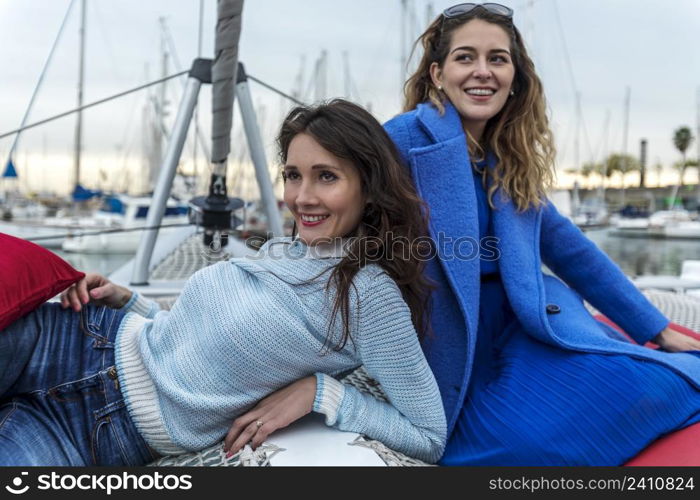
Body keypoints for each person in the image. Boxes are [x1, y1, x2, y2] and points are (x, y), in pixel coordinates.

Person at [0, 99, 446, 466]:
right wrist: (128, 301)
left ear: (368, 188)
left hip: (95, 434)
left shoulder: (369, 295)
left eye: (326, 176)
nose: (302, 197)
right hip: (74, 339)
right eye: (293, 175)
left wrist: (322, 392)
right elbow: (195, 345)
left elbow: (428, 436)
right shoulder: (281, 251)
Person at [381, 3, 700, 465]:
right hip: (452, 335)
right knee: (519, 446)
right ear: (437, 72)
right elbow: (346, 236)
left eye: (498, 59)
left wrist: (655, 328)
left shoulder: (507, 156)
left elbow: (571, 250)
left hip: (528, 321)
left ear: (514, 76)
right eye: (465, 57)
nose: (483, 72)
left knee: (640, 383)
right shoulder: (399, 142)